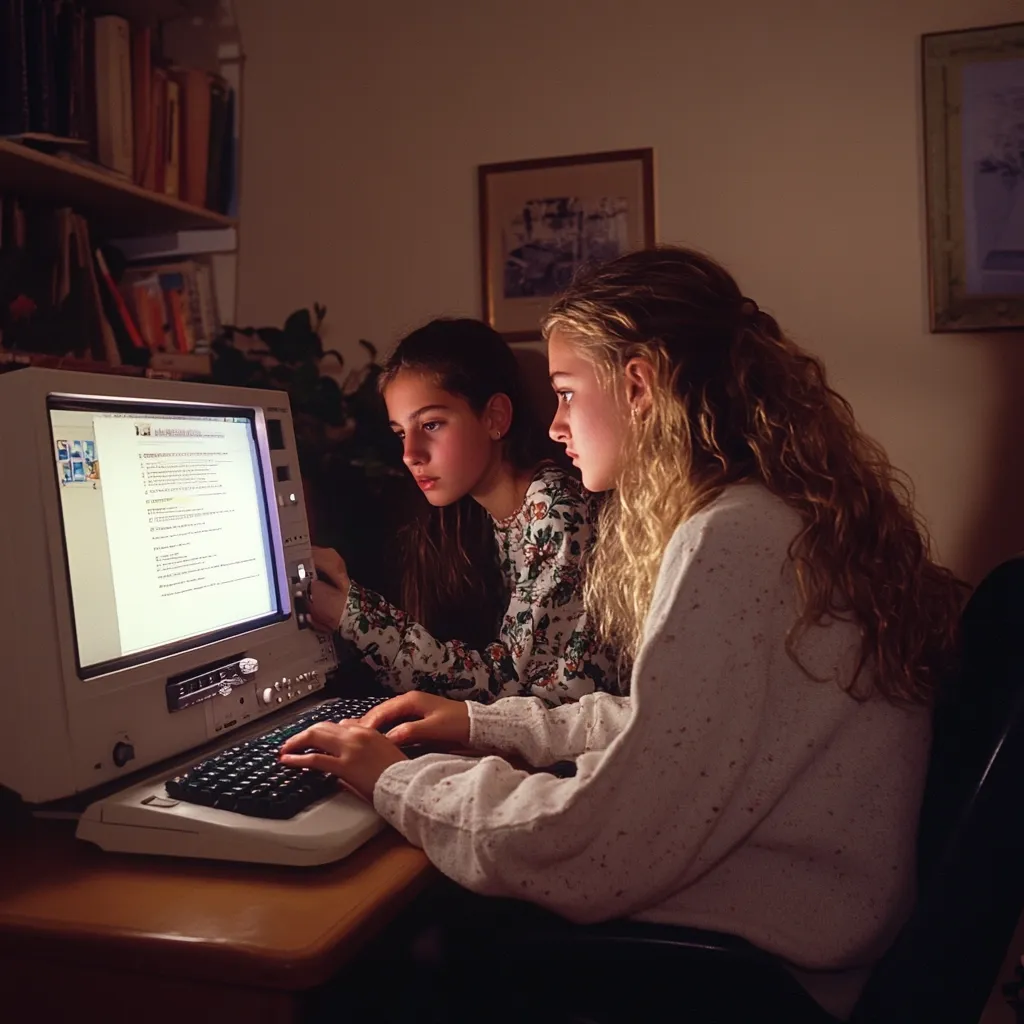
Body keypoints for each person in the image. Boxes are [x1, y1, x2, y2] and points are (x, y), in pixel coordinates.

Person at [282, 249, 964, 1020]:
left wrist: (395, 780)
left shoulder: (733, 538)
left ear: (638, 385)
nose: (556, 423)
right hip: (815, 930)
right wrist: (480, 722)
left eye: (569, 393)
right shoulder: (771, 514)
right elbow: (676, 722)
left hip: (766, 974)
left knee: (388, 964)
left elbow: (598, 847)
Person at [307, 317, 619, 705]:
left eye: (432, 424)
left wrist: (350, 614)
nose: (410, 454)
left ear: (495, 417)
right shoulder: (468, 518)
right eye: (401, 433)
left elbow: (504, 687)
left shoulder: (555, 510)